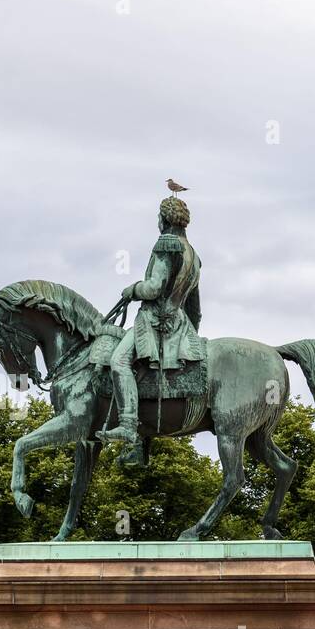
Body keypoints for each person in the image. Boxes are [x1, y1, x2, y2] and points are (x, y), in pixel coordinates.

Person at [97, 196, 204, 464]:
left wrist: (132, 290)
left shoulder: (165, 245)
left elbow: (154, 288)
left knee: (119, 361)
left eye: (159, 217)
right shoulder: (194, 255)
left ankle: (128, 425)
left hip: (153, 321)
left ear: (164, 219)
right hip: (179, 324)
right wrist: (187, 335)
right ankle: (140, 446)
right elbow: (195, 307)